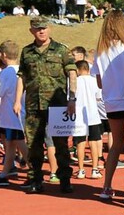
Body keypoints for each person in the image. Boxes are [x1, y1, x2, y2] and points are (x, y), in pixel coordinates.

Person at [13, 16, 77, 194]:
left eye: (44, 28)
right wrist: (17, 100)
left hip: (57, 105)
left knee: (61, 144)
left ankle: (65, 179)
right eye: (37, 28)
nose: (41, 31)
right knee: (33, 144)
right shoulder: (27, 52)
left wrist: (72, 99)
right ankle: (35, 179)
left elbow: (72, 74)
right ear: (31, 31)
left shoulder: (62, 50)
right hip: (33, 105)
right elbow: (22, 77)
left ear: (49, 29)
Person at [94, 10, 124, 203]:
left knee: (115, 146)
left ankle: (107, 186)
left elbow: (99, 82)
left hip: (111, 103)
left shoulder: (100, 50)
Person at [0, 41, 27, 186]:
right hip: (15, 115)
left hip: (12, 115)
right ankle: (4, 175)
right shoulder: (21, 69)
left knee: (19, 143)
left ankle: (34, 172)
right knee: (10, 145)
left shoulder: (6, 72)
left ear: (3, 55)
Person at [72, 61, 103, 179]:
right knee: (93, 142)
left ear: (78, 70)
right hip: (93, 115)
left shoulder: (75, 81)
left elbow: (71, 96)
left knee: (80, 143)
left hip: (79, 116)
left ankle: (81, 170)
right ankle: (95, 169)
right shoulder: (94, 80)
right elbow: (98, 96)